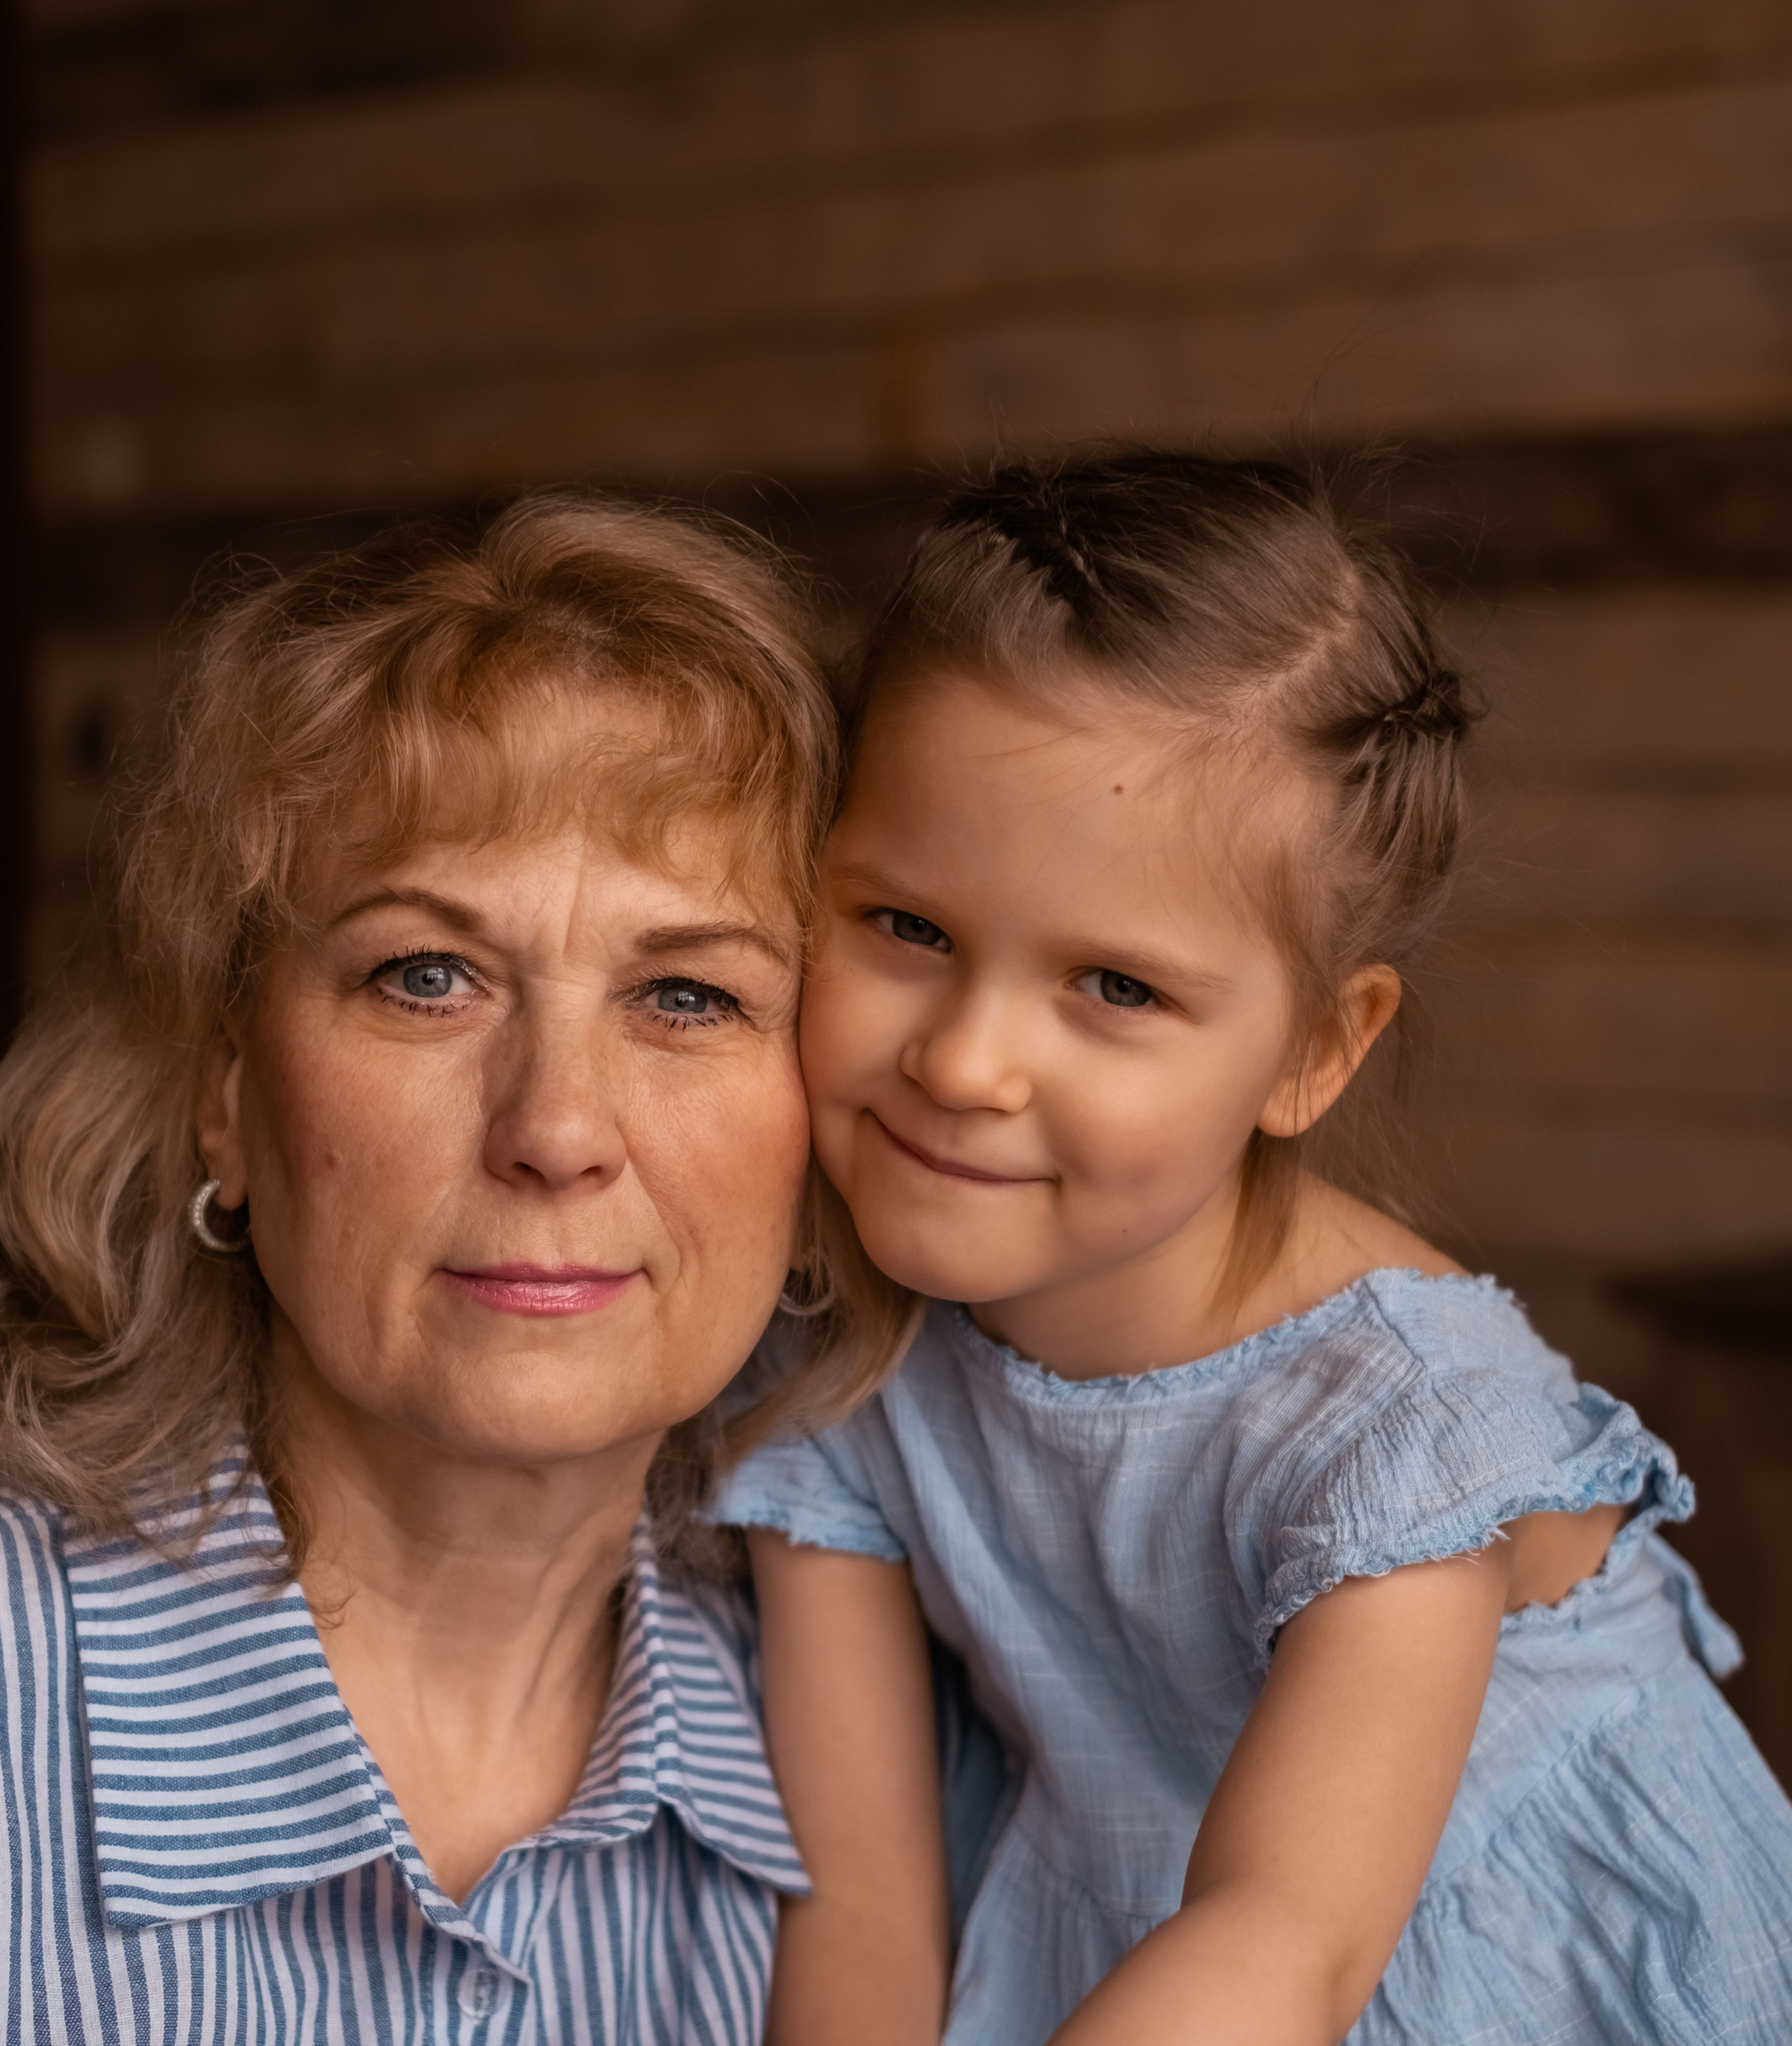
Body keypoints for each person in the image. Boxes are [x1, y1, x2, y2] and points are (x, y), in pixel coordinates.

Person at [0, 494, 865, 2045]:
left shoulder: (897, 1788)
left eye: (684, 993)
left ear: (824, 1150)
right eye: (426, 974)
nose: (554, 1128)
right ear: (224, 1091)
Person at [716, 454, 1792, 2046]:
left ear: (1312, 1049)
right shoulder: (842, 1353)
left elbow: (1285, 1940)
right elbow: (862, 1906)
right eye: (906, 927)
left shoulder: (1402, 1426)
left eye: (1116, 987)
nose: (961, 1060)